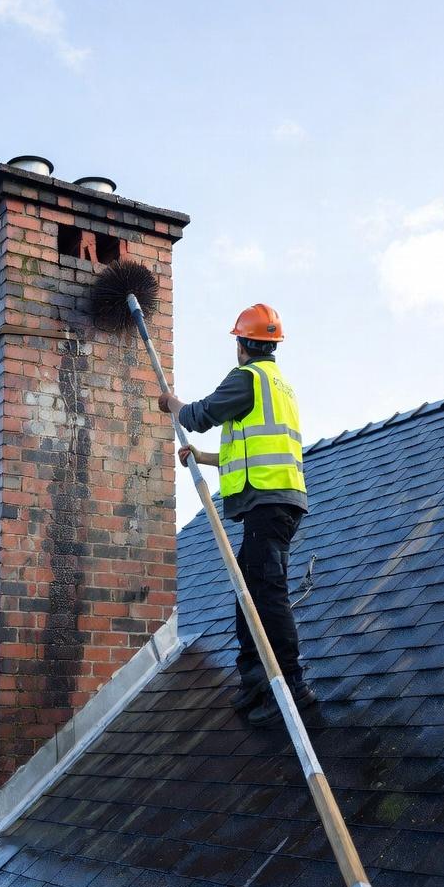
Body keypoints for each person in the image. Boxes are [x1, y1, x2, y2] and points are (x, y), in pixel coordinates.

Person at [158, 303, 315, 726]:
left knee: (267, 592)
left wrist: (171, 403)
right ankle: (255, 680)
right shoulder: (279, 385)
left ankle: (292, 686)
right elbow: (247, 449)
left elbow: (201, 415)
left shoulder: (247, 378)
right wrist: (203, 457)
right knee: (249, 590)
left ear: (242, 345)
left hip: (268, 503)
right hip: (277, 501)